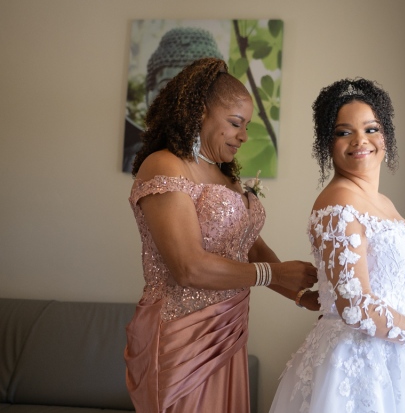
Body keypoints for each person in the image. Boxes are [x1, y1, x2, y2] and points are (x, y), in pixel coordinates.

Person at [124, 57, 319, 412]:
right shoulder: (165, 165)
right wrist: (276, 274)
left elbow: (250, 248)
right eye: (235, 123)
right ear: (200, 111)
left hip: (228, 330)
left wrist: (303, 295)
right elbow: (188, 267)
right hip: (181, 336)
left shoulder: (226, 175)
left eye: (246, 126)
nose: (244, 136)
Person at [269, 78, 405, 413]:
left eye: (371, 129)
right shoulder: (338, 202)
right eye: (344, 132)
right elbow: (356, 306)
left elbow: (395, 283)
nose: (359, 141)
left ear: (386, 136)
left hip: (402, 362)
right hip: (358, 368)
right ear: (328, 143)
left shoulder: (382, 201)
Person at [123, 26, 224, 172]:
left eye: (193, 92)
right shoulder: (134, 158)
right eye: (166, 87)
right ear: (148, 95)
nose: (180, 100)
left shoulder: (218, 165)